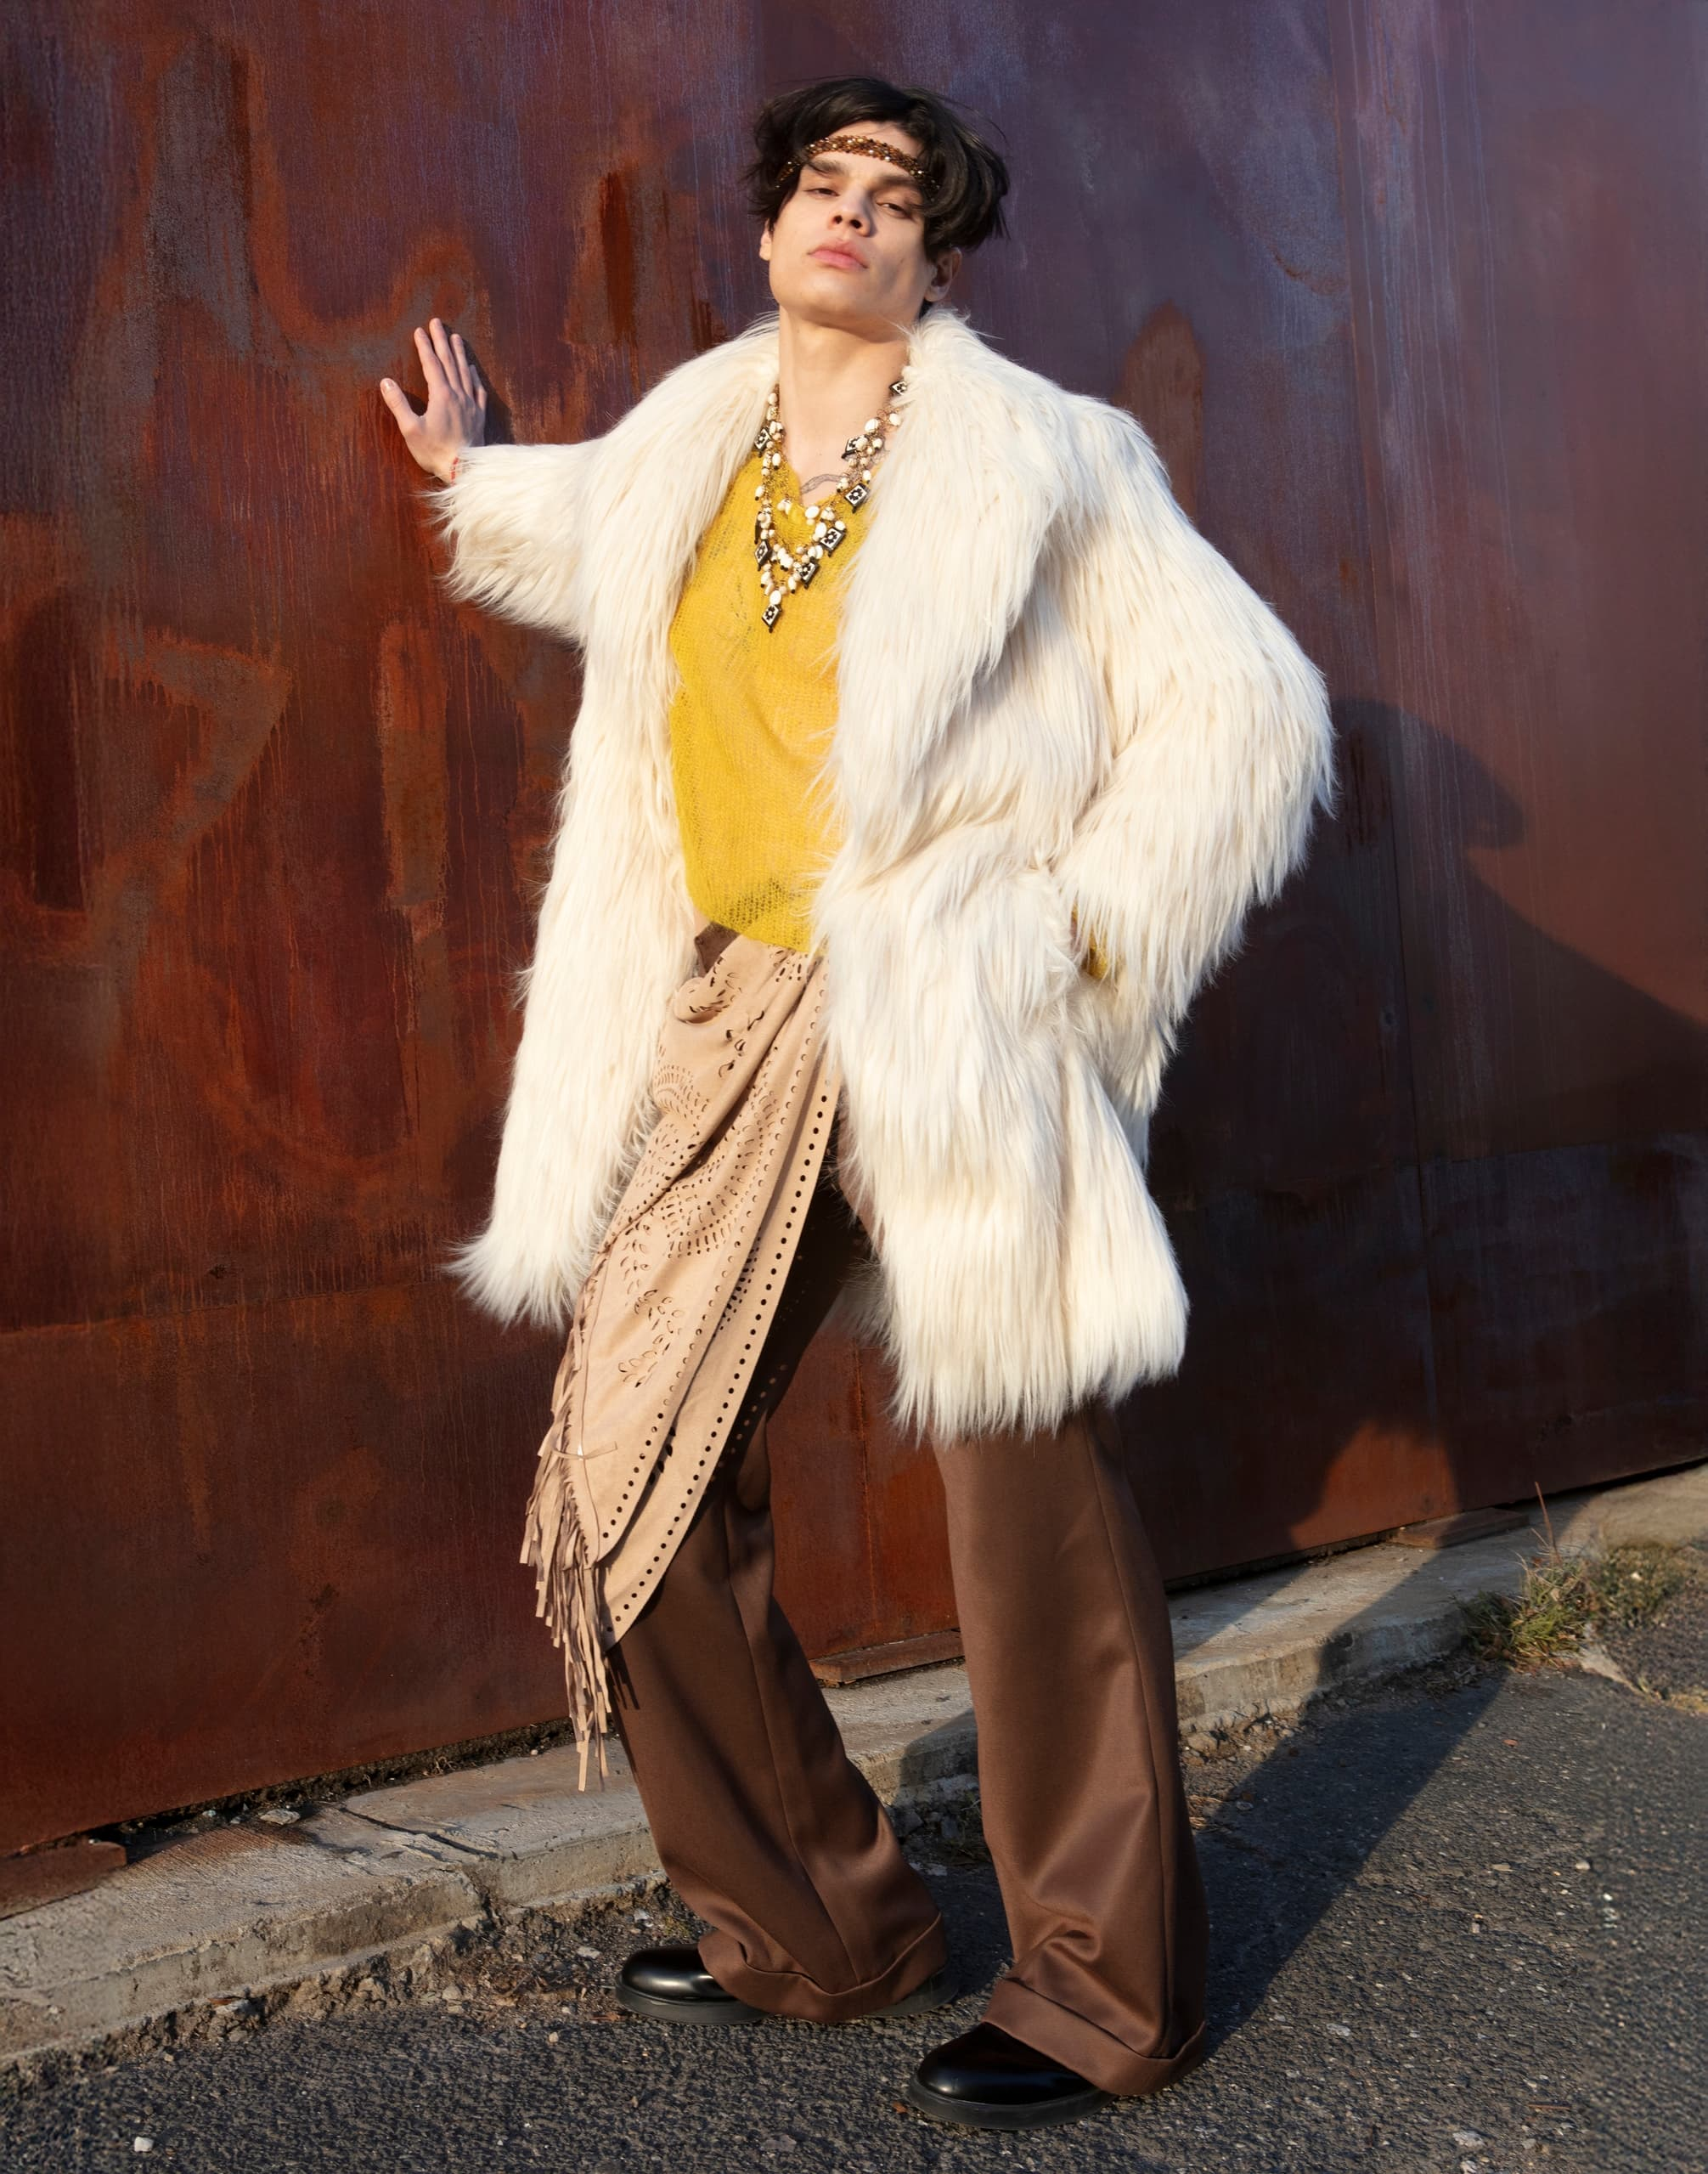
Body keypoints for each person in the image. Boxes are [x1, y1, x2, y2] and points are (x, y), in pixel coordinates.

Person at [380, 75, 1335, 2133]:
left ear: (937, 252)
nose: (853, 216)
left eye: (896, 198)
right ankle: (820, 1926)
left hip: (943, 1004)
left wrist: (1066, 938)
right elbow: (588, 550)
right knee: (629, 1474)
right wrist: (469, 473)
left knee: (1026, 1499)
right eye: (825, 183)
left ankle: (1102, 1991)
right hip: (739, 1013)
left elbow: (1250, 713)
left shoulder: (1054, 461)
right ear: (774, 225)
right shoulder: (692, 441)